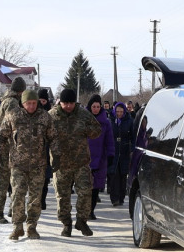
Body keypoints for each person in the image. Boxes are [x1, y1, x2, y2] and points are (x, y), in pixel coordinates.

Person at [0, 89, 54, 241]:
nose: (32, 106)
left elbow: (54, 138)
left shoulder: (44, 117)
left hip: (38, 165)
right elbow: (2, 136)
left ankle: (32, 226)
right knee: (18, 195)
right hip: (17, 164)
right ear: (23, 103)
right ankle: (17, 226)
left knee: (35, 198)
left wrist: (57, 156)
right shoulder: (13, 115)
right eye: (29, 103)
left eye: (34, 103)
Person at [51, 88, 102, 236]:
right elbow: (42, 135)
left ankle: (82, 221)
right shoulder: (52, 116)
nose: (68, 106)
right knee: (63, 196)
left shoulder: (83, 114)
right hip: (61, 164)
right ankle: (66, 224)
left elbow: (97, 130)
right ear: (60, 102)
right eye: (65, 103)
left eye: (71, 103)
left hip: (81, 163)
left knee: (86, 192)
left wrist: (85, 130)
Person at [0, 77, 27, 224]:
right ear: (21, 91)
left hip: (3, 147)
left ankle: (9, 210)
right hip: (7, 148)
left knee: (7, 181)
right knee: (6, 181)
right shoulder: (12, 103)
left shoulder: (6, 100)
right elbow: (15, 125)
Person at [85, 94, 115, 220]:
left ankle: (91, 210)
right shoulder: (84, 120)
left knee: (96, 187)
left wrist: (111, 154)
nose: (96, 109)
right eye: (94, 106)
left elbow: (110, 140)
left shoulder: (105, 123)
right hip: (85, 158)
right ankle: (84, 210)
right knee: (85, 187)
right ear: (90, 107)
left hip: (100, 158)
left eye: (98, 106)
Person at [108, 101, 134, 206]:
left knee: (123, 175)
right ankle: (114, 198)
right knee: (114, 175)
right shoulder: (110, 121)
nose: (119, 113)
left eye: (121, 111)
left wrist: (131, 149)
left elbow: (132, 136)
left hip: (124, 151)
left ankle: (121, 197)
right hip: (113, 150)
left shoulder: (129, 121)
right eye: (117, 111)